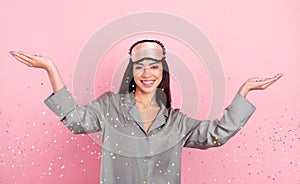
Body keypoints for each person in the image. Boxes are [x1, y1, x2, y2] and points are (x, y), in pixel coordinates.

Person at [9, 39, 283, 184]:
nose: (147, 72)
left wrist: (244, 91)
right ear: (132, 70)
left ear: (162, 71)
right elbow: (75, 121)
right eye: (140, 65)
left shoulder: (177, 122)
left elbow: (217, 134)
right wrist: (50, 69)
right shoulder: (109, 106)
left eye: (154, 65)